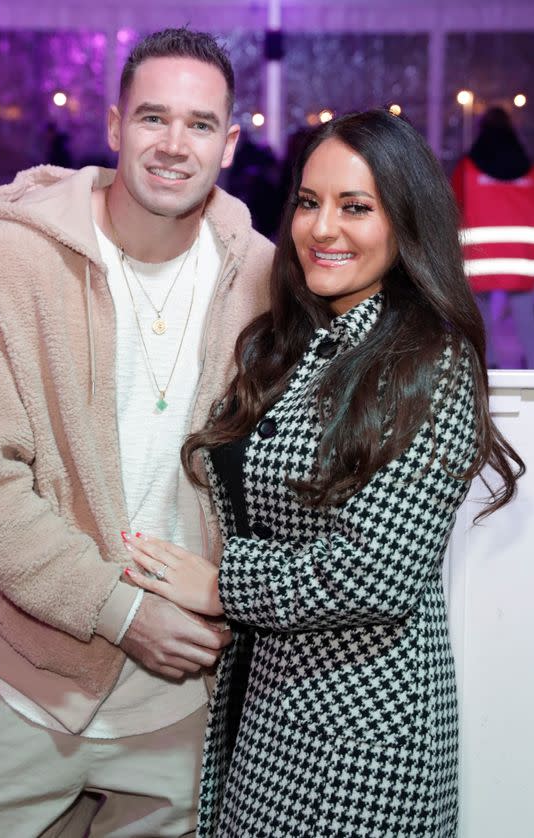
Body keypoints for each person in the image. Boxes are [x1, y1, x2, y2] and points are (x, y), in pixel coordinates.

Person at [121, 110, 525, 837]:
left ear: (406, 224)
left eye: (356, 207)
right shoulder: (306, 339)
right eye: (309, 202)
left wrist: (220, 584)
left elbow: (376, 573)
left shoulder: (427, 359)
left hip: (360, 745)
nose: (322, 228)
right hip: (275, 710)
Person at [0, 28, 274, 837]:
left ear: (228, 142)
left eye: (199, 124)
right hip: (25, 690)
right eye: (153, 118)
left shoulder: (258, 276)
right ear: (115, 126)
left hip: (183, 707)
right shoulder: (11, 260)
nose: (173, 145)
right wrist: (119, 611)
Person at [451, 106, 534, 368]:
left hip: (480, 262)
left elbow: (453, 206)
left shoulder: (467, 167)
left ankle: (487, 369)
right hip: (524, 263)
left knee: (481, 323)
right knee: (528, 323)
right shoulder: (529, 168)